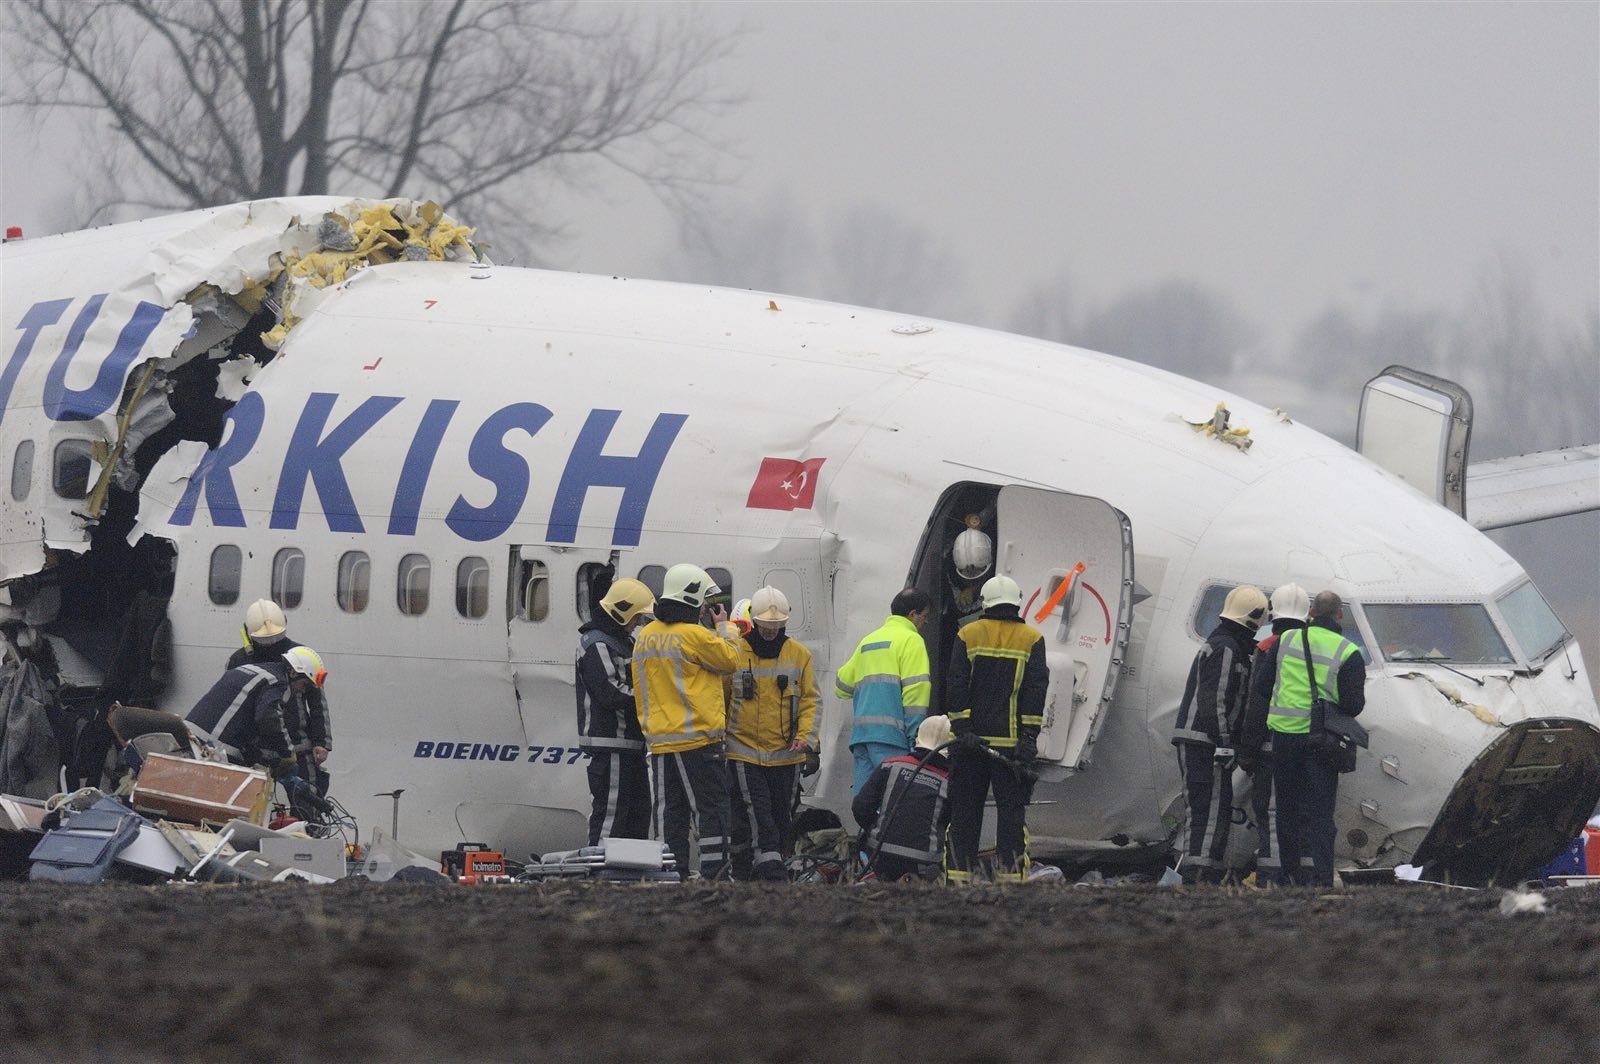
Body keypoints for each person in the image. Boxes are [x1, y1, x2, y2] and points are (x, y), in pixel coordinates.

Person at [631, 563, 742, 879]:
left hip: (662, 742)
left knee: (670, 813)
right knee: (713, 810)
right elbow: (730, 660)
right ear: (693, 596)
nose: (707, 607)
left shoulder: (646, 637)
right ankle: (715, 873)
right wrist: (726, 627)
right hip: (699, 741)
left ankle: (671, 872)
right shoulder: (694, 635)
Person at [1253, 590, 1366, 886]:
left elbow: (1263, 686)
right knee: (1319, 813)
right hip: (1321, 741)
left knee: (1286, 810)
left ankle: (1290, 875)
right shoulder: (1348, 651)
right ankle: (1321, 879)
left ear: (1311, 613)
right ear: (1340, 614)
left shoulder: (1285, 641)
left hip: (1284, 737)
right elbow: (1354, 704)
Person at [945, 575, 1047, 883]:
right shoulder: (1032, 639)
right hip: (1011, 750)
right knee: (1011, 820)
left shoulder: (968, 634)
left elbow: (956, 684)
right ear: (1016, 602)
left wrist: (962, 728)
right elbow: (1034, 693)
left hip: (970, 746)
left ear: (985, 603)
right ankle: (1011, 883)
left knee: (964, 816)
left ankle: (956, 882)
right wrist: (1029, 738)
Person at [1170, 585, 1267, 884]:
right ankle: (1199, 875)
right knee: (1209, 809)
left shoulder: (1223, 643)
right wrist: (1225, 742)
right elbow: (1216, 699)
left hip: (1202, 740)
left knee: (1211, 806)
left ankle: (1201, 871)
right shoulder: (1227, 648)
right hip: (1205, 742)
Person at [725, 586, 819, 880]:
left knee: (781, 817)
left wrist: (807, 739)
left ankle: (769, 868)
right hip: (744, 752)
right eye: (766, 626)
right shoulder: (735, 654)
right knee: (758, 816)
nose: (770, 632)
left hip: (786, 757)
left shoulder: (798, 655)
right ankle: (770, 875)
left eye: (776, 627)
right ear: (755, 621)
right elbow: (720, 698)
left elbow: (810, 700)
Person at [1238, 583, 1311, 885]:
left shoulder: (1268, 648)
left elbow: (1257, 700)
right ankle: (1305, 878)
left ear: (1272, 613)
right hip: (1310, 747)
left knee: (1271, 814)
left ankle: (1271, 878)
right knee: (1305, 815)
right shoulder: (1316, 645)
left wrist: (1247, 750)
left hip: (1272, 748)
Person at [576, 576, 656, 846]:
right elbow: (610, 692)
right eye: (635, 617)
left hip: (631, 747)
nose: (637, 624)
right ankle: (601, 878)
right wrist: (653, 700)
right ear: (622, 612)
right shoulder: (596, 643)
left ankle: (628, 879)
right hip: (611, 745)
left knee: (638, 815)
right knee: (611, 816)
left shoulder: (623, 643)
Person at [225, 599, 333, 795]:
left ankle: (310, 825)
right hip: (254, 749)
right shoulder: (239, 660)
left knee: (308, 799)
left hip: (298, 745)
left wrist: (321, 742)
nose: (271, 645)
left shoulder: (302, 657)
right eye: (265, 641)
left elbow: (318, 703)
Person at [835, 588, 933, 794]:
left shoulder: (868, 641)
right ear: (913, 615)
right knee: (893, 804)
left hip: (862, 738)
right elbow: (916, 694)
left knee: (865, 804)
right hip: (892, 739)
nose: (926, 622)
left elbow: (842, 686)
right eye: (925, 616)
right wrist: (916, 740)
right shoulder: (911, 640)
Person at [186, 646, 328, 778]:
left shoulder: (251, 669)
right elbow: (269, 719)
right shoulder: (277, 682)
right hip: (214, 749)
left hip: (188, 736)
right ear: (293, 673)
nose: (303, 691)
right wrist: (288, 753)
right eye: (305, 684)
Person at [853, 713, 953, 882]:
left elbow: (861, 807)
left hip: (881, 855)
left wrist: (879, 829)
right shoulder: (950, 781)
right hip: (923, 863)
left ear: (918, 739)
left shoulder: (890, 765)